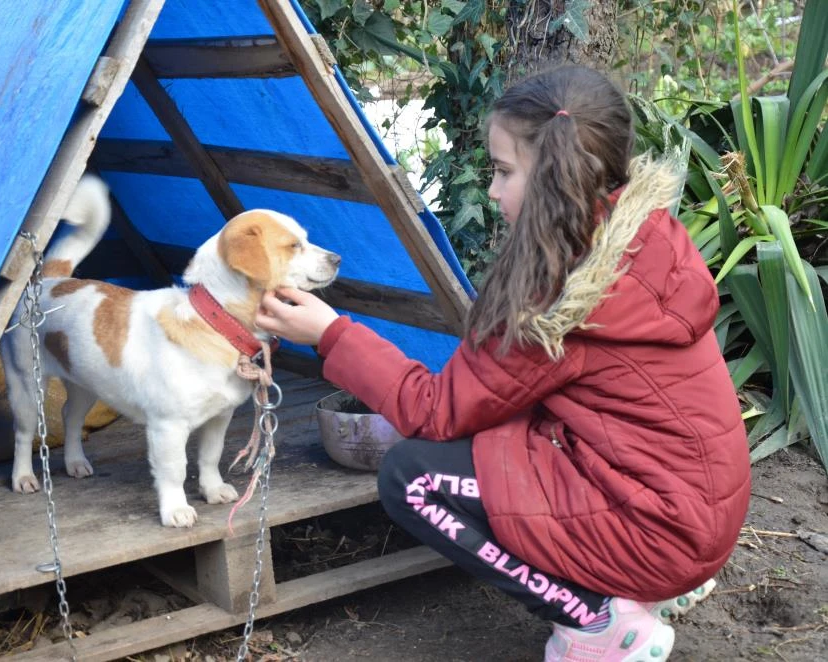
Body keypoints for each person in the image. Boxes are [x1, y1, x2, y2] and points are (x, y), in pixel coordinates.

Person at [256, 64, 750, 661]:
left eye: (503, 171)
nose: (491, 191)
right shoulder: (642, 238)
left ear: (555, 179)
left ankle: (596, 619)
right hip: (697, 512)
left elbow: (433, 412)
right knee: (503, 429)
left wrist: (330, 333)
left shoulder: (563, 297)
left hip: (659, 532)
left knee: (413, 478)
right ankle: (643, 585)